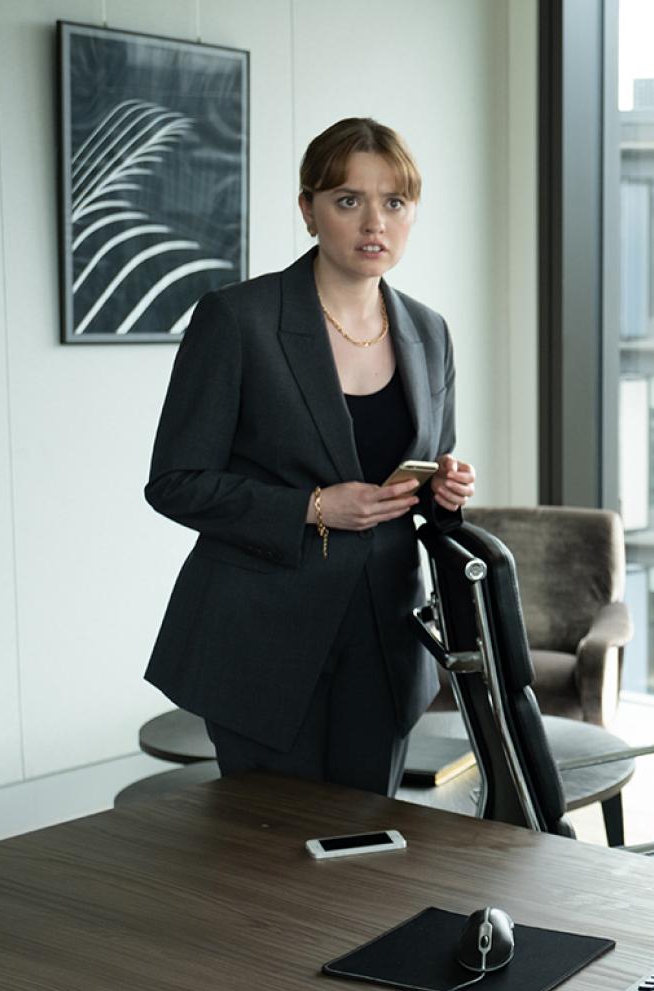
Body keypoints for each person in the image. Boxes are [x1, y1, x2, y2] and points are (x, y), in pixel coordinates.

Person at [144, 117, 476, 798]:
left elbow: (425, 479)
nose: (373, 222)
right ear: (308, 209)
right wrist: (313, 507)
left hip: (385, 639)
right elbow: (175, 483)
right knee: (269, 866)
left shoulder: (428, 331)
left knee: (366, 855)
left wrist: (447, 493)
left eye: (395, 203)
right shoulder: (237, 320)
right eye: (349, 201)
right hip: (260, 640)